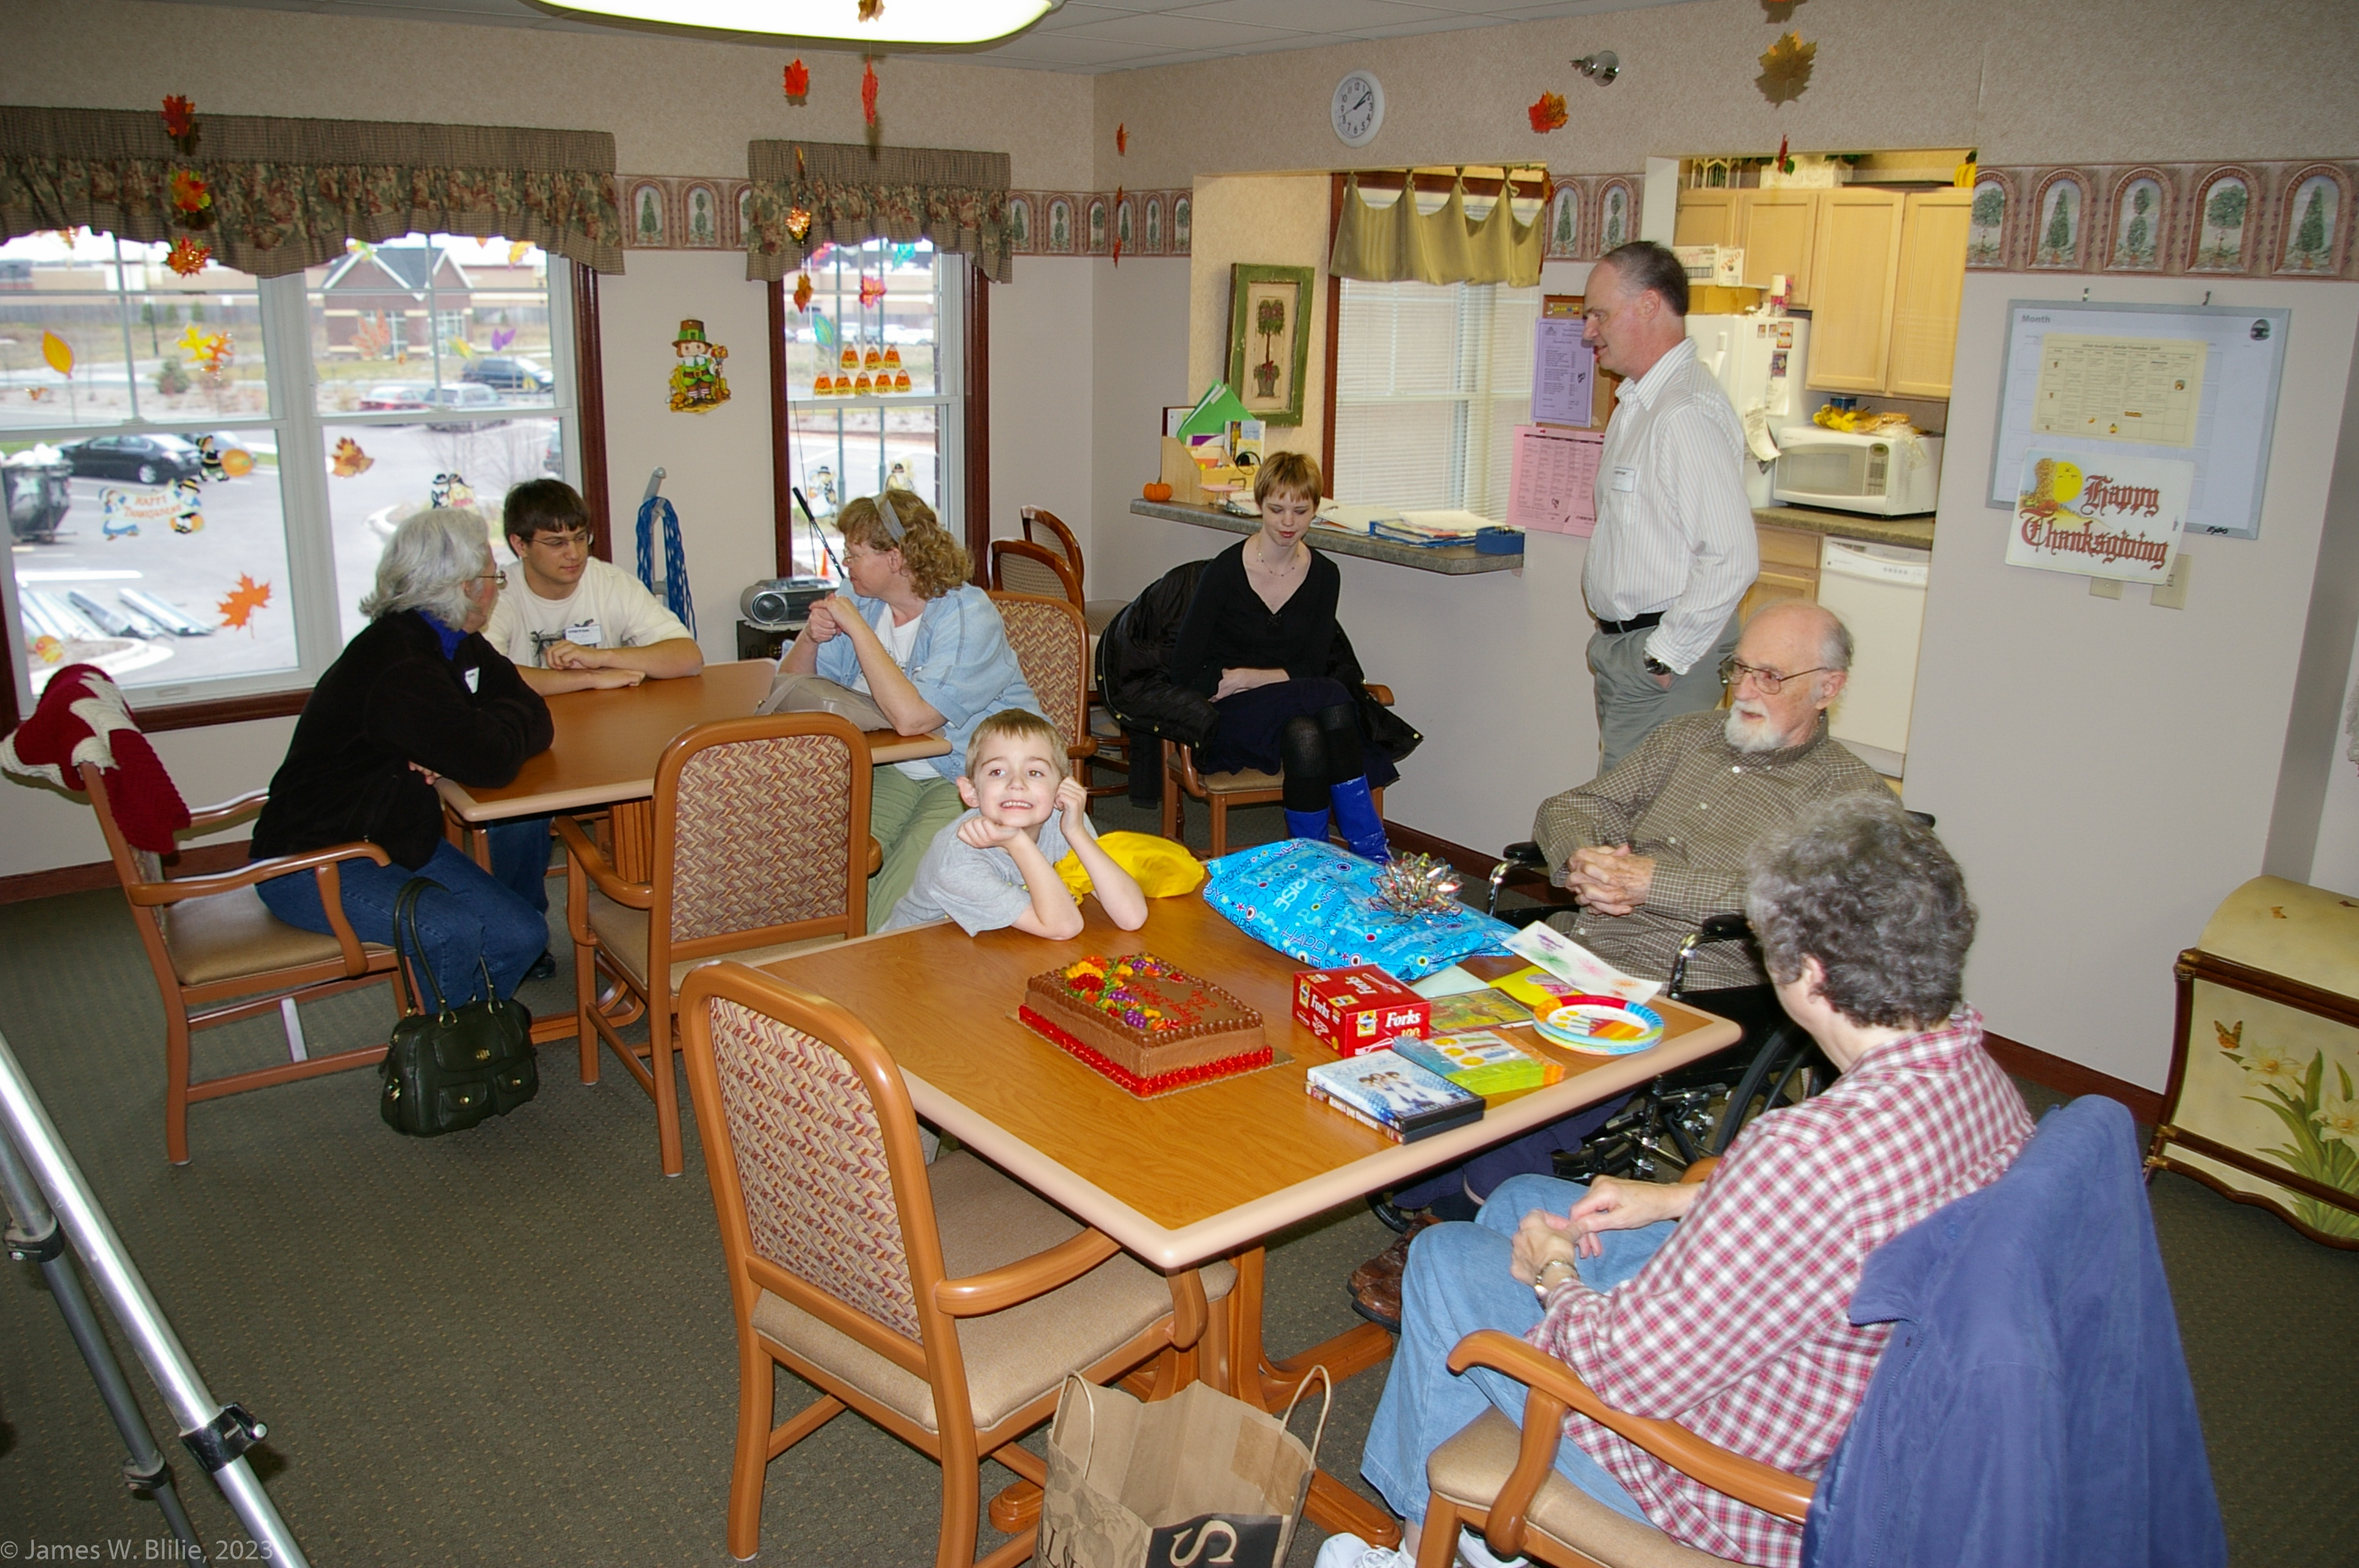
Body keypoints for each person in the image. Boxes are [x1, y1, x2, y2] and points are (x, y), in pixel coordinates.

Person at [1326, 797, 2035, 1568]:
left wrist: (1556, 1274)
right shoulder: (1979, 1082)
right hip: (1836, 1388)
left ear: (1809, 973)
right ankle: (1465, 1534)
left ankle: (1416, 1546)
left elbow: (1620, 1370)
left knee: (1443, 1258)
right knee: (1519, 1199)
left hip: (1723, 1475)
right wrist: (1677, 1196)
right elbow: (1863, 1214)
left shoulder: (1805, 1154)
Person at [1351, 601, 1886, 1327]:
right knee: (1433, 1011)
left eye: (1770, 676)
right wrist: (1587, 859)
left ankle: (1448, 1218)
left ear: (1828, 687)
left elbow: (1797, 898)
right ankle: (1427, 1168)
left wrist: (1653, 884)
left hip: (1702, 978)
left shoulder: (1848, 795)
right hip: (1584, 941)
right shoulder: (1687, 736)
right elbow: (1573, 804)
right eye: (1737, 670)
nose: (1745, 690)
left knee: (1548, 1076)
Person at [249, 508, 554, 1003]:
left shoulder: (456, 643)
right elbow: (492, 763)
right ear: (462, 587)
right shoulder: (399, 663)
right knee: (452, 933)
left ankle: (468, 1026)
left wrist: (470, 730)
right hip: (315, 860)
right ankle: (449, 1045)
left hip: (397, 839)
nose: (496, 588)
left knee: (521, 935)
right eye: (491, 576)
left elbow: (536, 714)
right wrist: (472, 733)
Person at [779, 490, 1041, 930]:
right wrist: (810, 636)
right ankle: (848, 954)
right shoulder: (860, 597)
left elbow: (914, 719)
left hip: (966, 775)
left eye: (855, 554)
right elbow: (790, 688)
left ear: (896, 559)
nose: (846, 564)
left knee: (902, 894)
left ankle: (876, 958)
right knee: (835, 867)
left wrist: (857, 630)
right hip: (893, 766)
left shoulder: (967, 613)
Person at [478, 479, 705, 951]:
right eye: (556, 542)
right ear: (520, 545)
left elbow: (687, 657)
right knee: (516, 818)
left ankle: (657, 918)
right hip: (530, 744)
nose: (574, 553)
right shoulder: (498, 594)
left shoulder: (608, 581)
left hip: (608, 742)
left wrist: (601, 658)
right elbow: (488, 678)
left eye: (581, 537)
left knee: (673, 781)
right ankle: (522, 933)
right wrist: (588, 679)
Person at [1167, 450, 1404, 859]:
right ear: (1259, 506)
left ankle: (1310, 860)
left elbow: (1312, 664)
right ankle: (1372, 852)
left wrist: (1246, 677)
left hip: (1289, 703)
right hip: (1231, 716)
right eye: (1277, 510)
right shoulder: (1224, 571)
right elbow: (1183, 667)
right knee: (1334, 695)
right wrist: (1233, 683)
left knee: (1305, 733)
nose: (1288, 522)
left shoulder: (1324, 574)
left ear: (1316, 509)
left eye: (1301, 510)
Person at [1580, 239, 1759, 774]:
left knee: (1633, 813)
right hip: (1628, 652)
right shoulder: (1639, 403)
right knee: (1626, 806)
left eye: (1599, 314)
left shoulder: (1683, 412)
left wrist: (1665, 658)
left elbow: (1732, 556)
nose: (1588, 331)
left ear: (1649, 305)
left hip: (1663, 659)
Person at [881, 708, 1147, 938]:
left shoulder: (1063, 819)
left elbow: (1132, 916)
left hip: (999, 945)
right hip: (916, 958)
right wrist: (1018, 842)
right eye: (997, 771)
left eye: (1035, 772)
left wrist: (1077, 832)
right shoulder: (958, 858)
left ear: (1060, 789)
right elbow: (1064, 927)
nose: (1016, 783)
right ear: (971, 791)